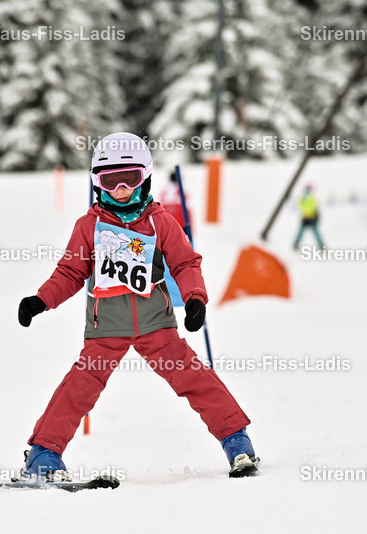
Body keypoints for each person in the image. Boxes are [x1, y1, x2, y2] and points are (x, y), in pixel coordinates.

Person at [16, 132, 259, 481]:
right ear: (97, 182)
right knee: (79, 387)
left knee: (193, 376)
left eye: (129, 179)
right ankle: (43, 454)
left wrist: (195, 298)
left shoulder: (160, 222)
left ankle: (236, 440)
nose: (120, 190)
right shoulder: (89, 227)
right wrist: (40, 301)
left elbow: (185, 263)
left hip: (155, 324)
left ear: (144, 178)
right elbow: (70, 272)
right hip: (105, 327)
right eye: (110, 181)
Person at [293, 183, 324, 250]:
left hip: (309, 217)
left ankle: (296, 244)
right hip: (308, 217)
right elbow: (313, 207)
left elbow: (313, 207)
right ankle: (321, 244)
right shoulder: (308, 198)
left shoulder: (305, 198)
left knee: (311, 232)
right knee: (308, 232)